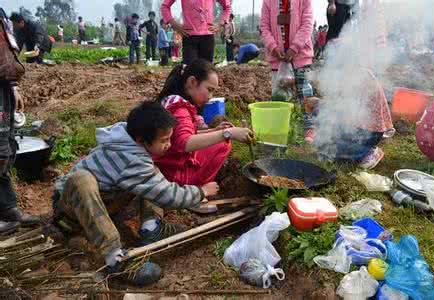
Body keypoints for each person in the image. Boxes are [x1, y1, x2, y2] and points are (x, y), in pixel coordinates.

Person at [52, 101, 219, 284]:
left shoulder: (127, 137)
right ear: (141, 139)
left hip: (105, 197)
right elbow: (168, 195)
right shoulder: (131, 159)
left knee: (150, 174)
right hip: (71, 210)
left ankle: (151, 227)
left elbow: (155, 185)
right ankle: (114, 258)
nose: (169, 145)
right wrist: (201, 192)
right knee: (82, 179)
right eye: (164, 140)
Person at [153, 59, 254, 188]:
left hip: (165, 166)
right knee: (223, 144)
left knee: (220, 138)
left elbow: (180, 135)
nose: (210, 96)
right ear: (192, 82)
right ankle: (198, 190)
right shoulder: (180, 109)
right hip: (173, 174)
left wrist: (215, 131)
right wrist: (228, 133)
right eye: (209, 89)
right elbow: (185, 142)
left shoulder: (172, 100)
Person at [0, 8, 39, 233]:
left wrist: (13, 86)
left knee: (5, 150)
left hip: (3, 86)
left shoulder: (2, 16)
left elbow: (5, 54)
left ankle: (8, 208)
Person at [314, 68, 393, 169]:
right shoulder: (350, 69)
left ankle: (367, 152)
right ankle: (357, 149)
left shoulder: (357, 74)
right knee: (325, 145)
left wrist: (320, 104)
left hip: (368, 131)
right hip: (355, 124)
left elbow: (343, 108)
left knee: (333, 150)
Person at [260, 0, 315, 142]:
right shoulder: (268, 2)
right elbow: (264, 27)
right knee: (279, 94)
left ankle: (309, 127)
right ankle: (281, 128)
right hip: (277, 57)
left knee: (304, 93)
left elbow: (307, 24)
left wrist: (294, 47)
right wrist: (273, 47)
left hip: (300, 54)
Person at [161, 0, 231, 64]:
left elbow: (227, 6)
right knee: (190, 70)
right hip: (189, 36)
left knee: (206, 71)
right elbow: (165, 6)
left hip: (208, 36)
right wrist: (175, 25)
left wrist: (219, 23)